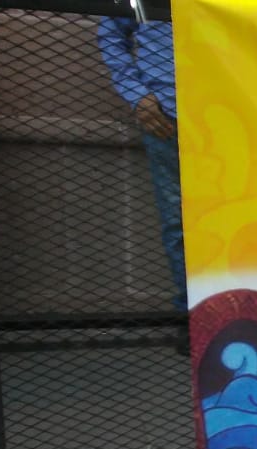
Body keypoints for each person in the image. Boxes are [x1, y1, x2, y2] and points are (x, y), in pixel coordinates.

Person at [98, 17, 187, 317]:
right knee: (178, 220)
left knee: (244, 215)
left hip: (238, 114)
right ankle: (193, 314)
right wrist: (137, 94)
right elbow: (111, 30)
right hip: (169, 116)